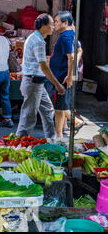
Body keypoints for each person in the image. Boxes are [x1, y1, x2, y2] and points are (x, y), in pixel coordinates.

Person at [16, 14, 65, 141]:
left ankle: (51, 138)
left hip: (36, 82)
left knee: (48, 109)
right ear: (43, 26)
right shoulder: (38, 41)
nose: (53, 27)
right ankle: (17, 143)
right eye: (51, 24)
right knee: (29, 117)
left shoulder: (35, 38)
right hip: (33, 82)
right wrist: (57, 84)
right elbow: (43, 66)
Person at [46, 11, 84, 140]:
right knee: (61, 106)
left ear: (65, 23)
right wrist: (72, 73)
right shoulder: (72, 34)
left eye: (56, 21)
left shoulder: (66, 36)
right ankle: (71, 126)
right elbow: (79, 51)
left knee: (58, 108)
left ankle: (58, 136)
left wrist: (69, 76)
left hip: (60, 77)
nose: (54, 24)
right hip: (62, 76)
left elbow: (72, 56)